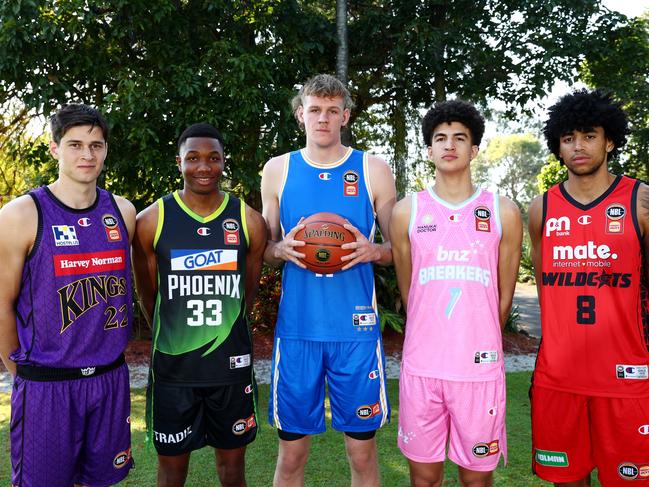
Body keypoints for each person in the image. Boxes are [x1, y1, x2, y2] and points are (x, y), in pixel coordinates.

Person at [261, 74, 396, 486]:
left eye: (332, 110)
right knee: (291, 454)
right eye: (315, 109)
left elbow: (397, 249)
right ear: (301, 114)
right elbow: (264, 252)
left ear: (345, 116)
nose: (323, 118)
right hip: (298, 330)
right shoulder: (277, 169)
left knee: (361, 452)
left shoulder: (372, 169)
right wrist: (278, 250)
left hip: (356, 331)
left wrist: (374, 251)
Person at [0, 104, 136, 486]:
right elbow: (1, 305)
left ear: (106, 149)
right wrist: (23, 371)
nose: (87, 155)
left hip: (109, 379)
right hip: (47, 385)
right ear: (55, 149)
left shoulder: (122, 212)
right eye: (75, 144)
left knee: (100, 482)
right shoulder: (20, 215)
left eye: (96, 145)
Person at [390, 100, 522, 486]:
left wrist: (476, 338)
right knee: (424, 478)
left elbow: (503, 297)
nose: (449, 145)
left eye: (459, 138)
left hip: (478, 371)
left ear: (474, 149)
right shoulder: (406, 212)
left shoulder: (503, 211)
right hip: (423, 366)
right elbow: (409, 288)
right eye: (440, 138)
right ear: (429, 150)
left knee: (476, 481)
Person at [132, 122, 267, 487]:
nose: (203, 167)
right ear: (179, 162)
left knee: (232, 471)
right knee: (172, 473)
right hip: (174, 372)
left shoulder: (249, 220)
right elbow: (149, 296)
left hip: (230, 368)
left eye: (213, 158)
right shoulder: (151, 221)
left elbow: (246, 292)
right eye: (193, 158)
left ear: (224, 162)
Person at [529, 89, 649, 486]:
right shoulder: (541, 208)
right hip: (558, 377)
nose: (578, 146)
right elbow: (547, 284)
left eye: (589, 135)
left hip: (627, 376)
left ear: (610, 140)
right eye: (568, 138)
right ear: (557, 148)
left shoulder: (640, 200)